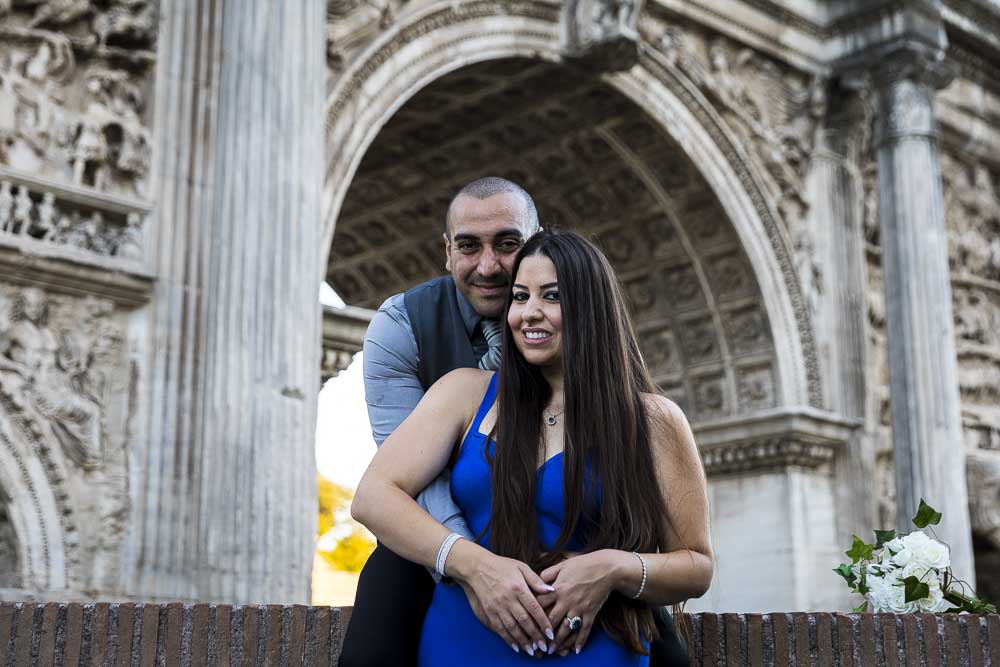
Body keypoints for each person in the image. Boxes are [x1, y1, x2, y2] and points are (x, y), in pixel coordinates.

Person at [352, 230, 713, 665]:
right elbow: (373, 496)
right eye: (520, 297)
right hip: (463, 643)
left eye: (553, 296)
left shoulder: (655, 419)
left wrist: (612, 568)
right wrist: (472, 565)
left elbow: (696, 566)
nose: (529, 314)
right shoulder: (464, 393)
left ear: (591, 308)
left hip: (595, 648)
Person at [339, 176, 541, 667]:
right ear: (448, 251)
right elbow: (408, 478)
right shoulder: (399, 324)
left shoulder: (575, 320)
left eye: (509, 244)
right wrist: (475, 567)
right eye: (469, 247)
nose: (489, 266)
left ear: (538, 244)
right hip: (433, 531)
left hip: (554, 523)